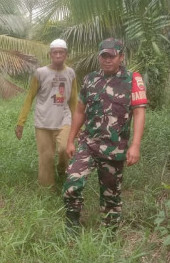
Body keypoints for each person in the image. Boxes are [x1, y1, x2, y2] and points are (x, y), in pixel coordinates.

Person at [63, 38, 147, 232]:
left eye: (112, 56)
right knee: (72, 183)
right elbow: (80, 111)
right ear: (99, 57)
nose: (107, 60)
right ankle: (72, 224)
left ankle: (110, 234)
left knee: (111, 195)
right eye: (104, 56)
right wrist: (70, 140)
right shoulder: (90, 79)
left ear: (121, 57)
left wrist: (135, 145)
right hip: (88, 143)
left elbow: (139, 112)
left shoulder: (132, 79)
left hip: (114, 146)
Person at [15, 39, 79, 188]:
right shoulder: (41, 73)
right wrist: (20, 122)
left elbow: (74, 100)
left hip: (64, 119)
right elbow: (29, 98)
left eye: (61, 52)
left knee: (65, 149)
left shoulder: (70, 73)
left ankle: (62, 171)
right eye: (55, 52)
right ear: (50, 54)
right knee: (46, 157)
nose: (58, 55)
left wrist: (79, 126)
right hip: (43, 121)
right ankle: (47, 189)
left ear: (66, 54)